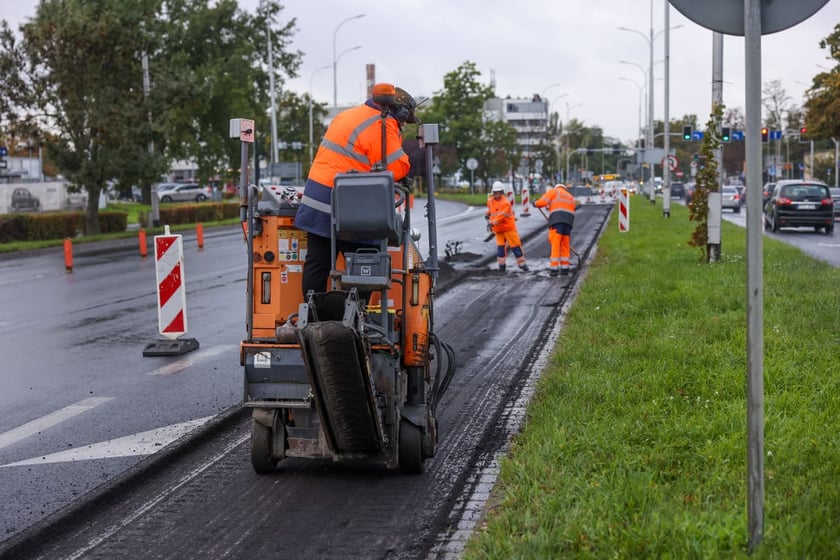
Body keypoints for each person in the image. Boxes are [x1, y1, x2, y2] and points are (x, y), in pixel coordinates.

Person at [296, 83, 416, 298]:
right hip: (351, 206)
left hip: (318, 199)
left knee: (318, 261)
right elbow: (398, 166)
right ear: (400, 111)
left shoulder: (348, 115)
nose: (403, 125)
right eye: (405, 121)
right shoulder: (383, 123)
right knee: (366, 263)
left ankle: (312, 315)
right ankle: (358, 319)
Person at [534, 182, 577, 276]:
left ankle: (554, 269)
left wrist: (535, 203)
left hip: (557, 221)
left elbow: (542, 202)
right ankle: (565, 268)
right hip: (568, 223)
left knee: (556, 244)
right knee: (565, 245)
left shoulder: (554, 192)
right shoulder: (570, 196)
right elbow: (574, 208)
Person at [486, 181, 528, 273]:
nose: (497, 195)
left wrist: (492, 223)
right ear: (493, 192)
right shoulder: (490, 201)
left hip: (508, 228)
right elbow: (490, 210)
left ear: (502, 192)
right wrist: (487, 214)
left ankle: (522, 265)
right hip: (499, 230)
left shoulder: (505, 203)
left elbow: (501, 216)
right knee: (500, 248)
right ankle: (502, 266)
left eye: (499, 192)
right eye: (496, 193)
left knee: (515, 246)